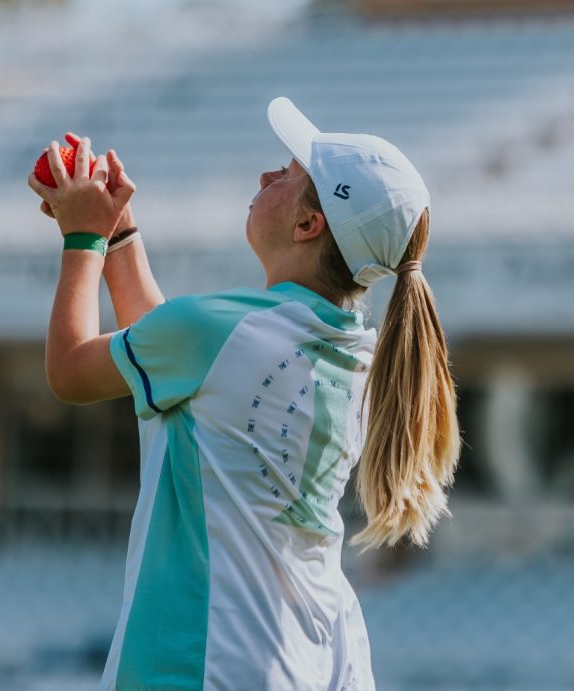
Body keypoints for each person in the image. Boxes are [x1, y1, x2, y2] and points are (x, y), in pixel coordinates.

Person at [27, 96, 460, 691]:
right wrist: (120, 236)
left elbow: (71, 371)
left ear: (309, 225)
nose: (267, 175)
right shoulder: (357, 352)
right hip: (309, 660)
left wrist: (82, 239)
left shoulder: (222, 331)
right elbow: (182, 369)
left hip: (197, 659)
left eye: (287, 176)